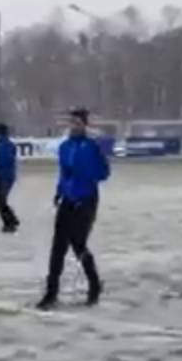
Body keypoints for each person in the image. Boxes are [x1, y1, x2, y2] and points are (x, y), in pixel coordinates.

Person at [38, 108, 110, 310]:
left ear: (84, 125)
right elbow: (63, 174)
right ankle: (51, 293)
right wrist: (59, 192)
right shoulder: (65, 147)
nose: (73, 127)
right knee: (57, 248)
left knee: (79, 245)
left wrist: (90, 171)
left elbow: (103, 173)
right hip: (67, 200)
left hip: (86, 200)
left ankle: (94, 285)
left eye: (77, 123)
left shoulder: (91, 146)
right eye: (71, 123)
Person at [0, 123, 20, 233]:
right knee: (0, 200)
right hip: (4, 175)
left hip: (4, 176)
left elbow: (5, 159)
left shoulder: (4, 144)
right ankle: (11, 220)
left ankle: (10, 222)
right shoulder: (4, 144)